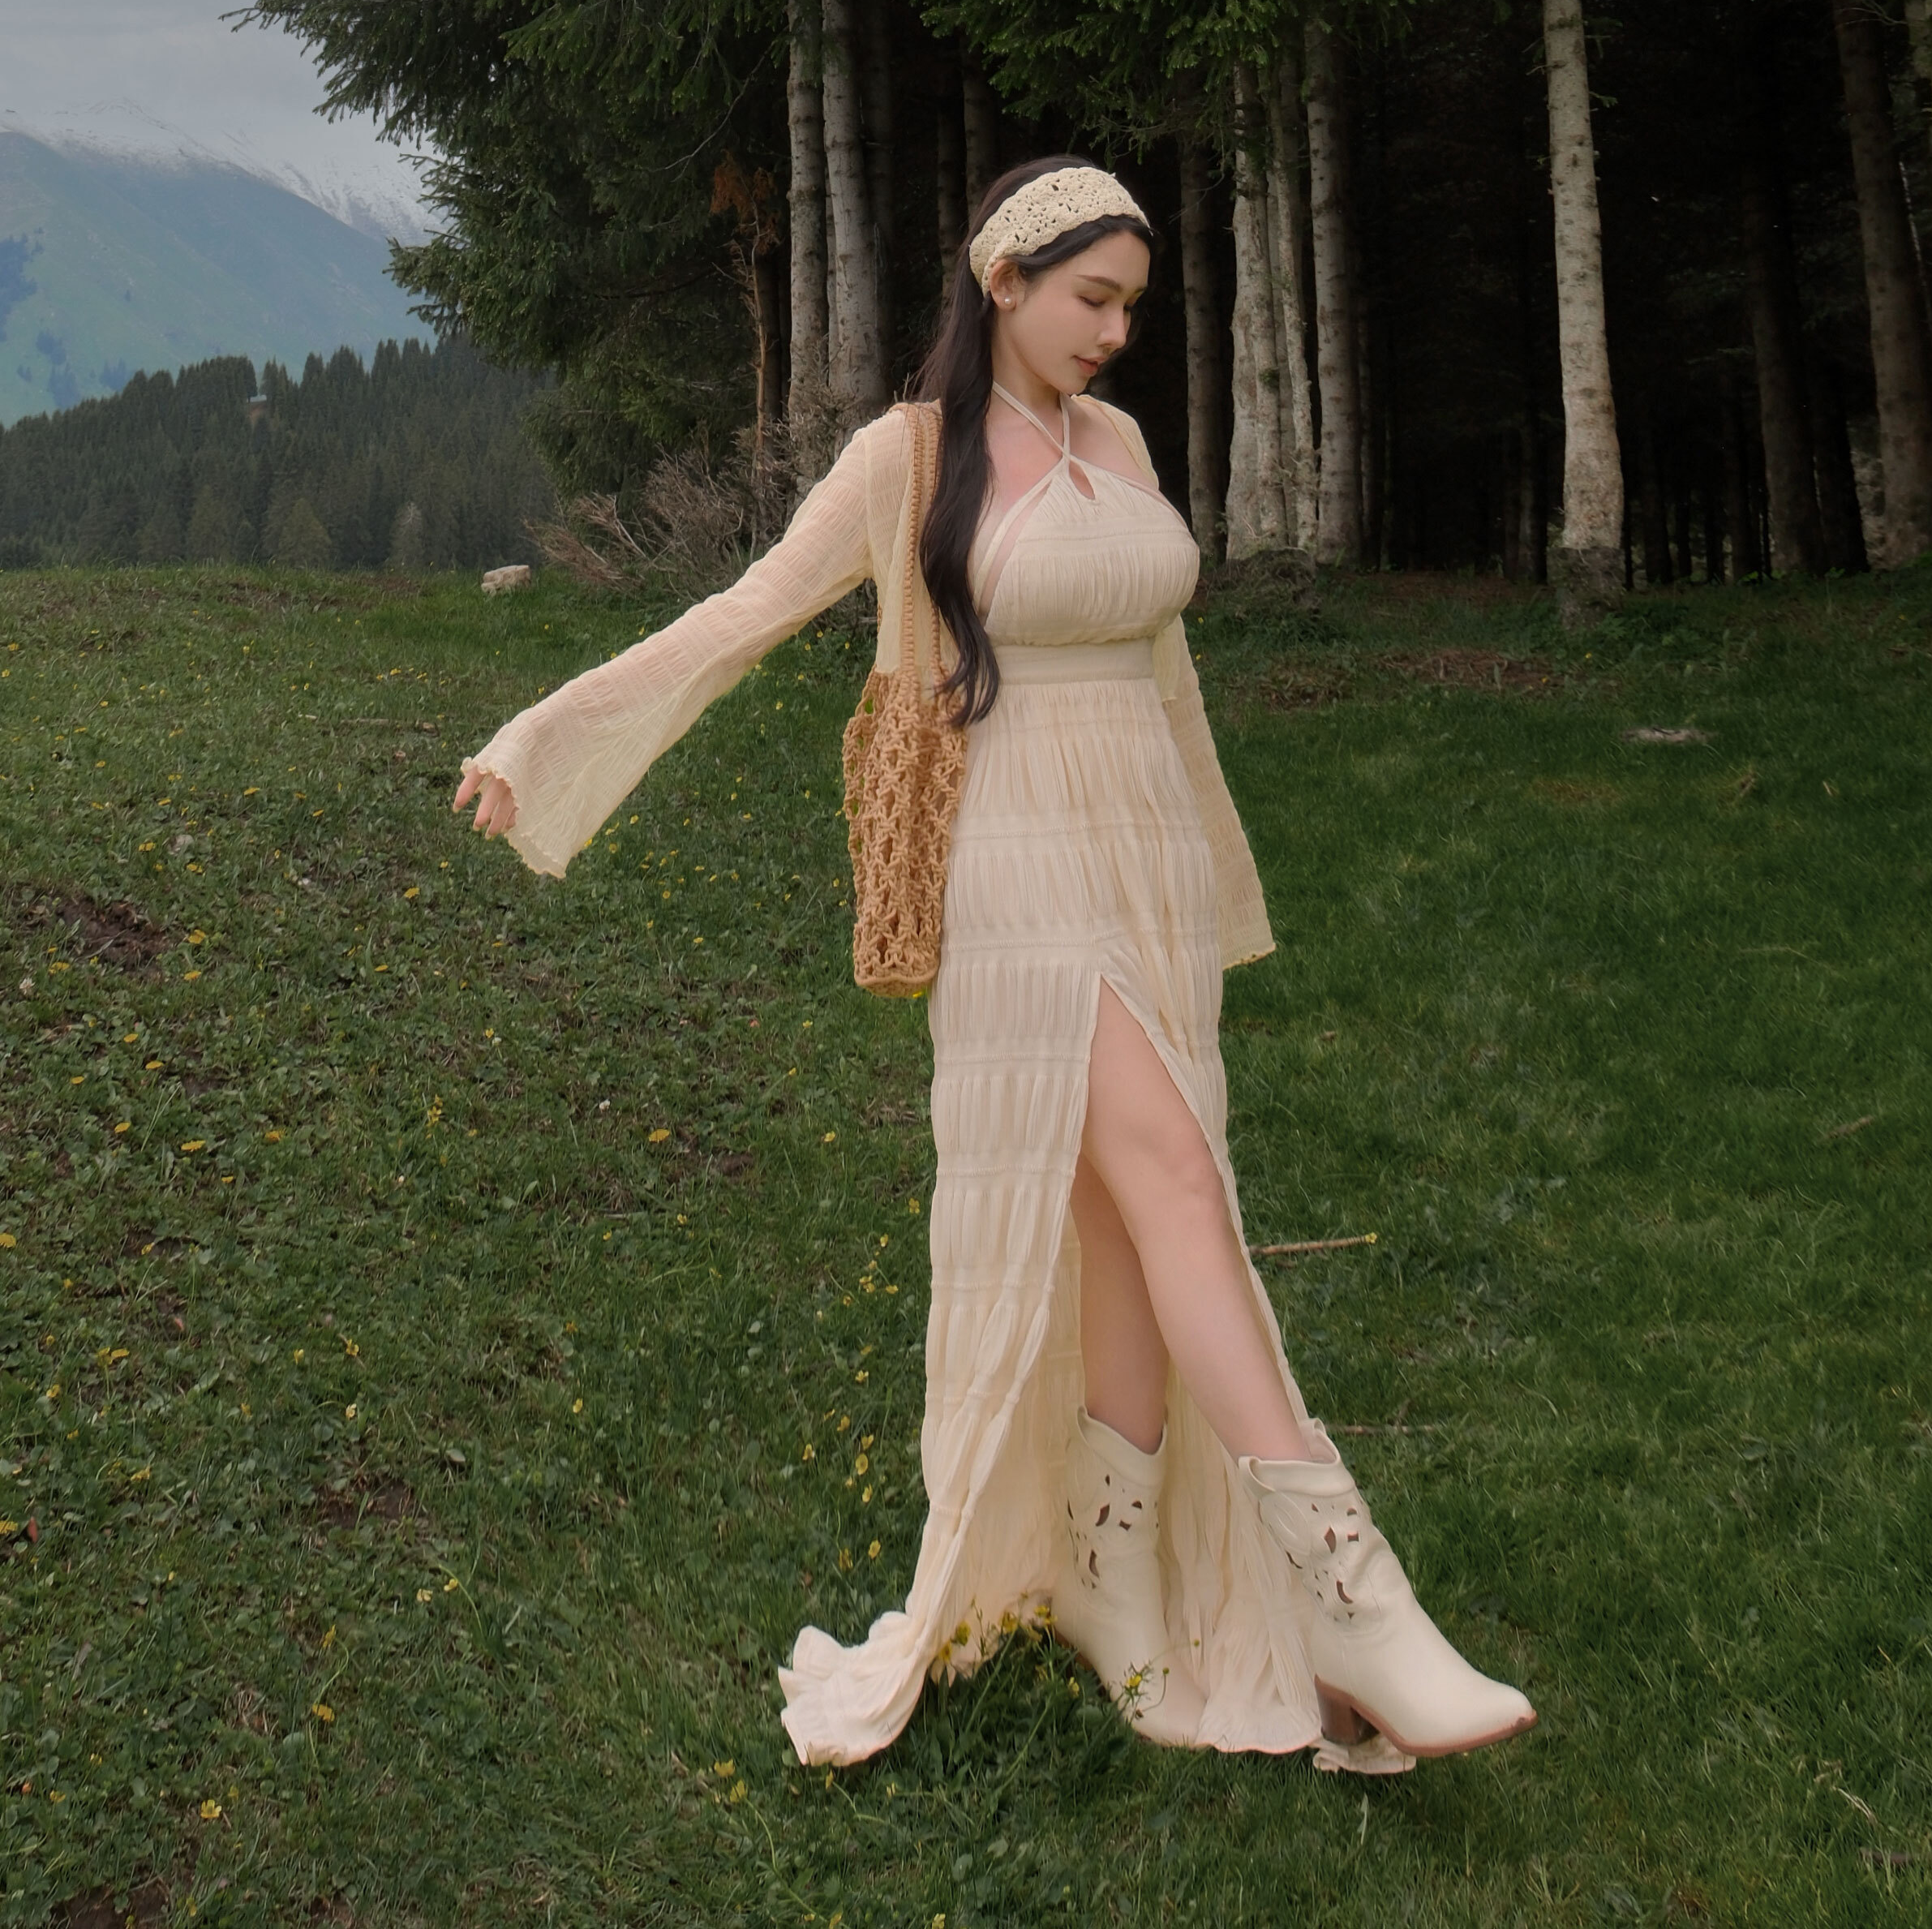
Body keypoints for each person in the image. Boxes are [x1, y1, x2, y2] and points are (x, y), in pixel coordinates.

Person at [453, 158, 1532, 1776]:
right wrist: (543, 735)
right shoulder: (906, 458)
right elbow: (743, 613)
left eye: (1131, 306)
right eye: (1091, 297)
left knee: (1124, 1222)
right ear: (1003, 280)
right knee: (1176, 1183)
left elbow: (1168, 682)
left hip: (1145, 853)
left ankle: (1109, 1583)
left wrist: (1217, 886)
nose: (1113, 332)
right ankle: (1348, 1598)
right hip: (1013, 861)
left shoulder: (1123, 445)